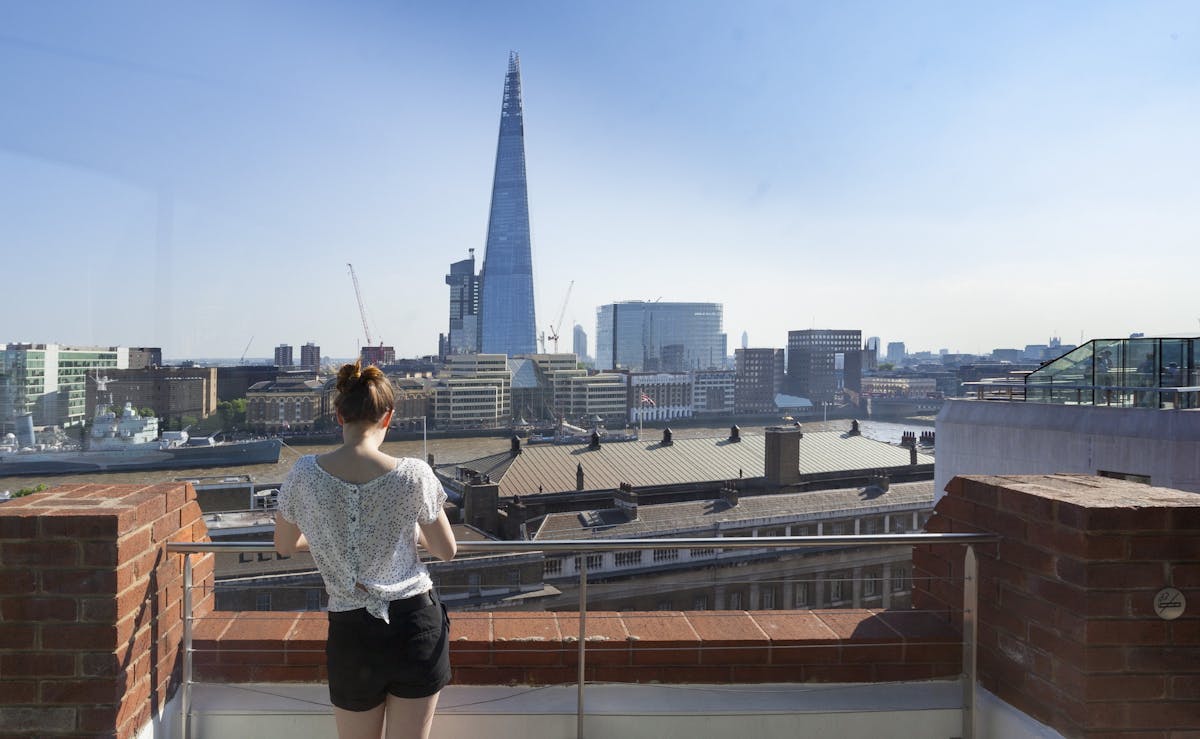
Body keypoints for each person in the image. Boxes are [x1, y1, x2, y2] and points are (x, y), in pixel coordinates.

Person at [275, 360, 457, 739]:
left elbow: (285, 545)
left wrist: (328, 535)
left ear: (339, 415)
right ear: (387, 417)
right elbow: (445, 550)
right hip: (413, 623)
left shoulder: (304, 473)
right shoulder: (413, 474)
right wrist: (408, 532)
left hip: (351, 633)